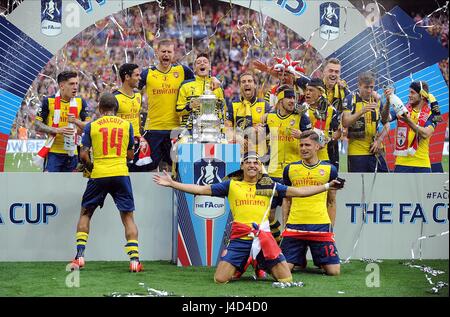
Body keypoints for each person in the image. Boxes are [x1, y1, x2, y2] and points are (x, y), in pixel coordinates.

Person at [153, 152, 343, 284]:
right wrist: (172, 184)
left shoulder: (270, 186)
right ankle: (247, 261)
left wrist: (327, 186)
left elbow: (300, 192)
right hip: (240, 238)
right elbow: (201, 189)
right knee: (220, 279)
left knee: (286, 278)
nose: (252, 165)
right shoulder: (232, 185)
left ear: (260, 168)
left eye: (256, 163)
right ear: (242, 166)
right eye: (248, 162)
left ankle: (259, 261)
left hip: (264, 239)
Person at [70, 93, 143, 272]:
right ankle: (134, 261)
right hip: (120, 173)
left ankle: (79, 257)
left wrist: (91, 166)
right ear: (116, 109)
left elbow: (84, 155)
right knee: (128, 218)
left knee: (85, 214)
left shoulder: (92, 126)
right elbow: (131, 155)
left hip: (99, 173)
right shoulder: (127, 126)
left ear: (100, 109)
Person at [281, 130, 343, 276]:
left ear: (317, 146)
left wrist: (330, 228)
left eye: (307, 145)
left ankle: (312, 258)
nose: (303, 148)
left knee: (334, 271)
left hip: (320, 226)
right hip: (295, 226)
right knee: (284, 270)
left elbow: (332, 201)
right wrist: (285, 224)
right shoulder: (290, 169)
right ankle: (299, 258)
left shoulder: (330, 169)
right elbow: (286, 200)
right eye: (301, 145)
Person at [264, 85, 312, 243]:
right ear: (279, 100)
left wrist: (303, 135)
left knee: (289, 212)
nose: (292, 100)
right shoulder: (270, 118)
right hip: (272, 171)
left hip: (292, 172)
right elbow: (261, 138)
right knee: (269, 214)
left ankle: (288, 244)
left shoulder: (301, 117)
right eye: (288, 98)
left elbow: (314, 140)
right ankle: (278, 241)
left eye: (294, 98)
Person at [138, 39, 195, 171]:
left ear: (173, 54)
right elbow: (133, 89)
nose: (166, 54)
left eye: (169, 52)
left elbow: (199, 80)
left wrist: (213, 79)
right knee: (147, 165)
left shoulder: (182, 71)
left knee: (178, 166)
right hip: (153, 128)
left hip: (175, 129)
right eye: (163, 51)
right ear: (157, 53)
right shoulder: (147, 73)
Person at [35, 71, 90, 172]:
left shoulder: (80, 102)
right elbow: (37, 125)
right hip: (53, 153)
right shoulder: (48, 101)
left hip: (73, 153)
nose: (75, 87)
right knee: (50, 185)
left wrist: (76, 121)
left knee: (71, 186)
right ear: (62, 86)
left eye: (77, 83)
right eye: (71, 83)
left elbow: (89, 126)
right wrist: (57, 130)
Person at [383, 81, 437, 173]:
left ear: (422, 95)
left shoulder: (432, 114)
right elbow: (384, 119)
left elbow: (425, 134)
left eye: (412, 92)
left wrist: (407, 121)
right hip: (401, 164)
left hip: (422, 164)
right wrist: (388, 102)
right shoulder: (403, 110)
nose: (409, 95)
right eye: (409, 92)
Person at [342, 71, 389, 172]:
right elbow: (345, 122)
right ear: (359, 85)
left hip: (376, 149)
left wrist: (379, 140)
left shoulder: (377, 100)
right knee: (360, 185)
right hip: (357, 152)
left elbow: (387, 123)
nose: (369, 90)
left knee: (384, 181)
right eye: (366, 87)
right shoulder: (350, 99)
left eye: (372, 87)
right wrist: (362, 111)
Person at [176, 53, 225, 135]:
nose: (202, 63)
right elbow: (178, 111)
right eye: (198, 63)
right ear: (195, 68)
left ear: (209, 67)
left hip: (212, 132)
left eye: (205, 62)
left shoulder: (217, 87)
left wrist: (222, 132)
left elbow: (222, 113)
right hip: (190, 132)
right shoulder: (185, 86)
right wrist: (189, 106)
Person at [225, 72, 271, 159]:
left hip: (260, 155)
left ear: (255, 85)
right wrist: (238, 137)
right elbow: (227, 129)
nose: (246, 83)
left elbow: (269, 128)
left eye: (249, 81)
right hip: (239, 154)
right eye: (243, 82)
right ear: (239, 86)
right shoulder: (233, 104)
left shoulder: (265, 105)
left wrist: (261, 129)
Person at [114, 63, 149, 172]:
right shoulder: (114, 98)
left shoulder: (138, 96)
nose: (140, 78)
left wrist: (140, 136)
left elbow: (137, 117)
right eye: (137, 75)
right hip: (122, 145)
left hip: (137, 143)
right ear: (127, 77)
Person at [321, 58, 350, 171]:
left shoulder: (344, 91)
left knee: (334, 172)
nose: (333, 74)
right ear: (324, 71)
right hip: (316, 137)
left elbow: (348, 111)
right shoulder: (315, 87)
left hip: (335, 139)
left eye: (336, 72)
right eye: (331, 71)